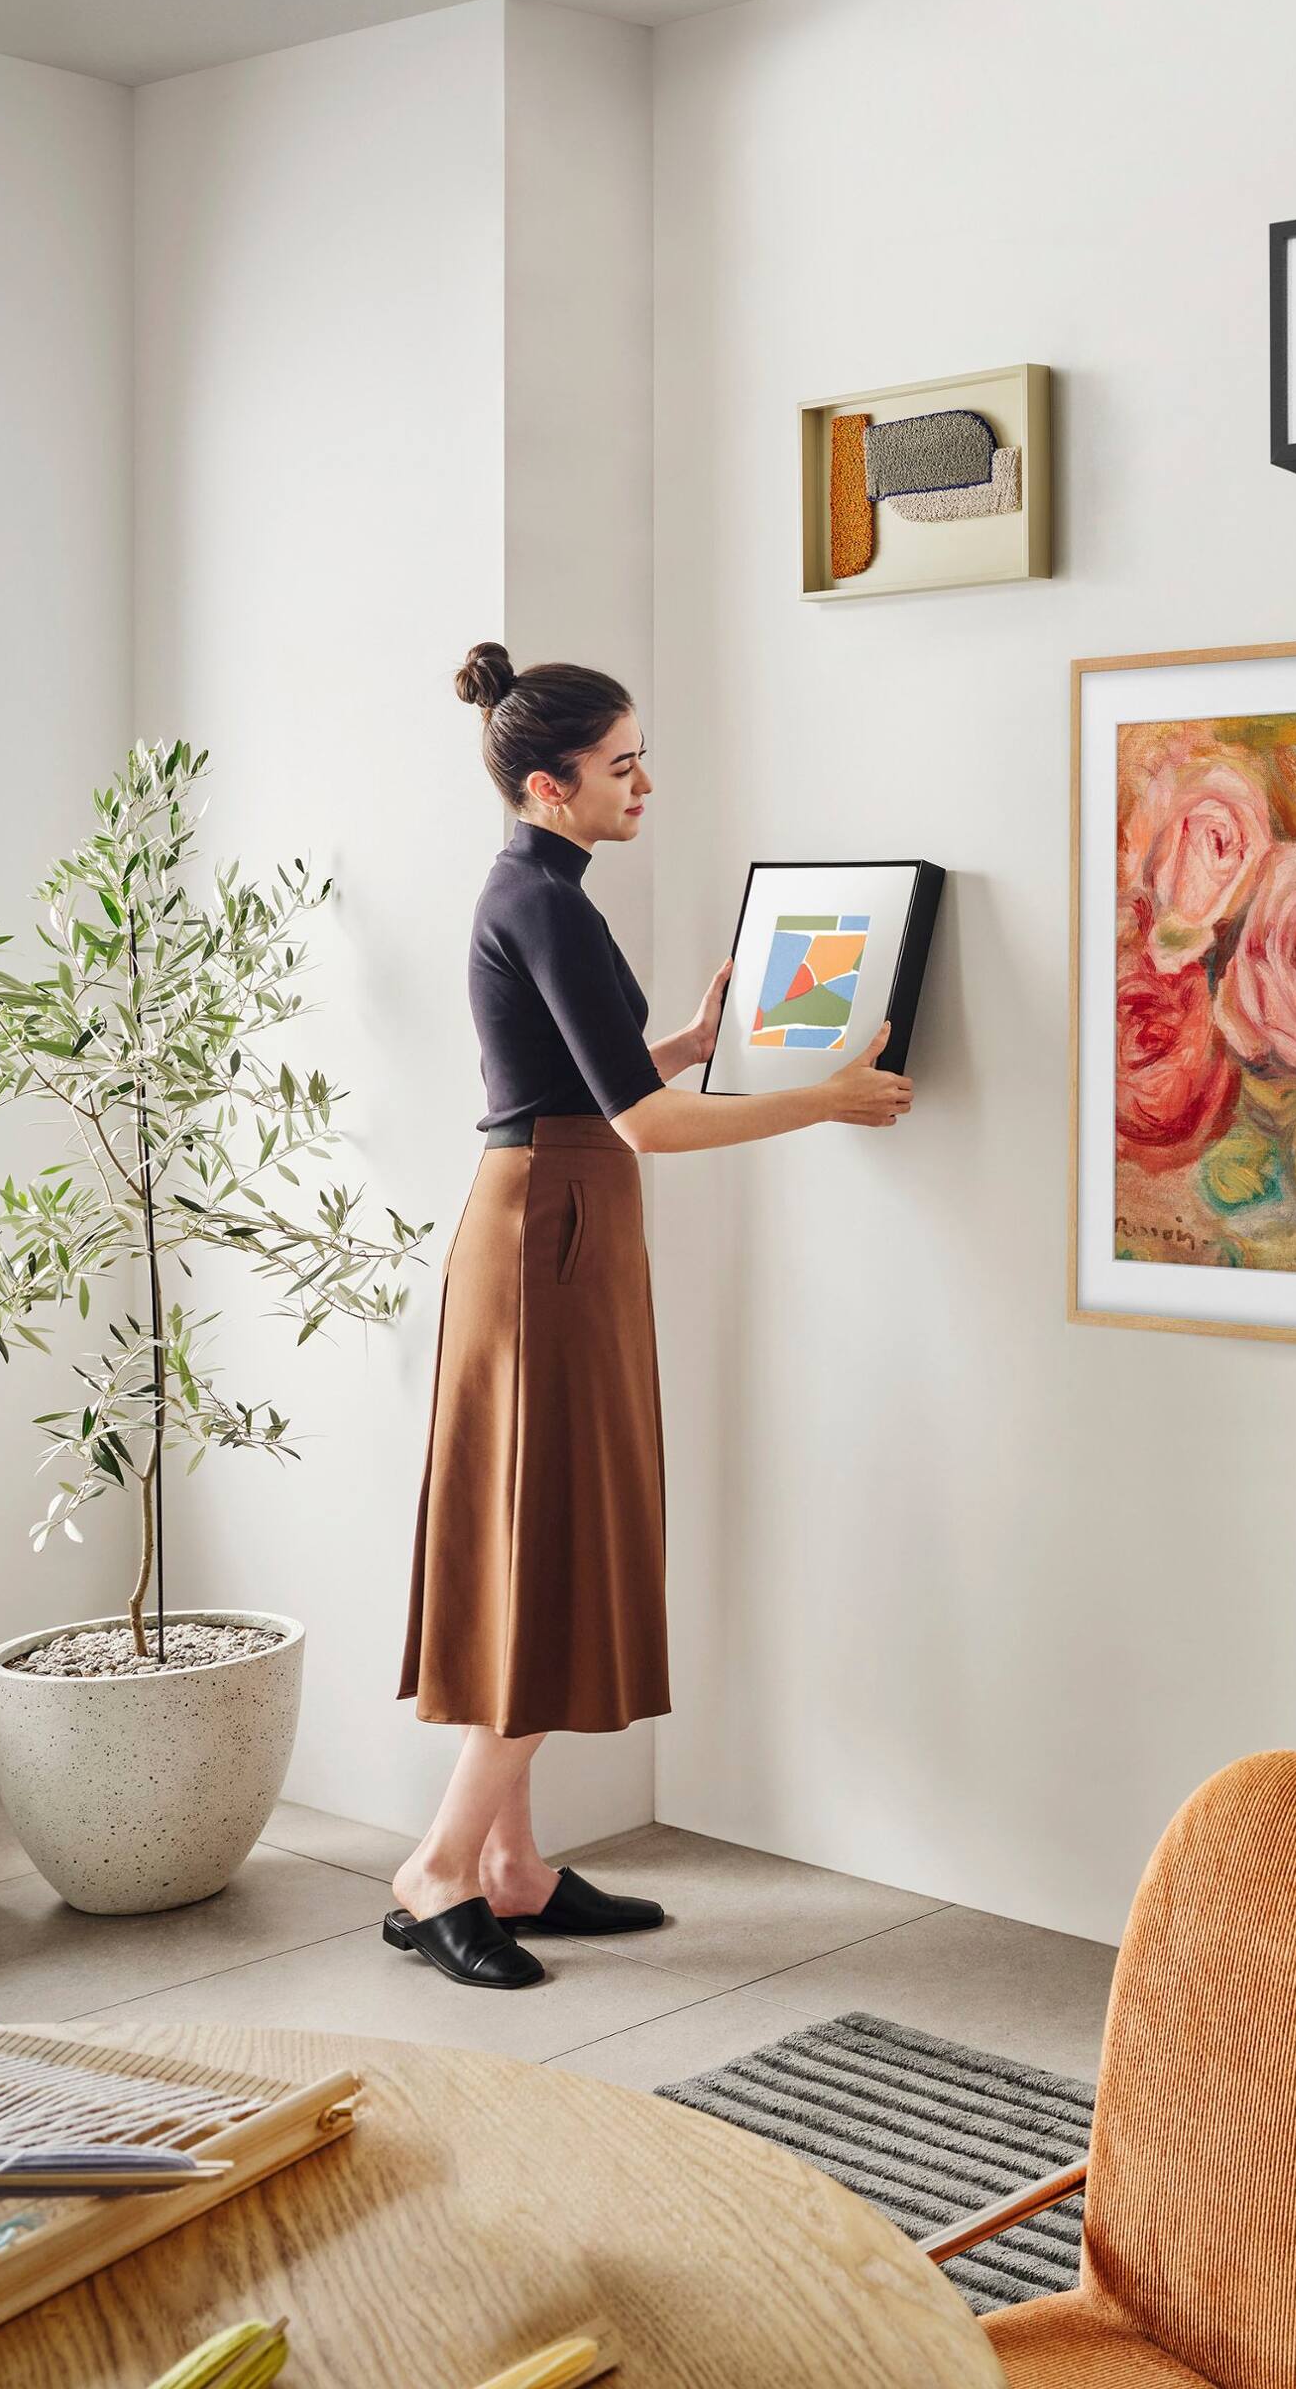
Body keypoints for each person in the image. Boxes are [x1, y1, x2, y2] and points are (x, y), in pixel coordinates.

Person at [384, 642, 913, 1988]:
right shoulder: (545, 903)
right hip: (548, 1229)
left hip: (556, 1221)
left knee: (544, 1544)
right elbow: (645, 1126)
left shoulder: (543, 891)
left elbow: (594, 1076)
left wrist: (686, 1036)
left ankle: (510, 1867)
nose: (647, 784)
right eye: (623, 767)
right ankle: (440, 1872)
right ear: (553, 786)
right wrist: (826, 1096)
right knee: (543, 1547)